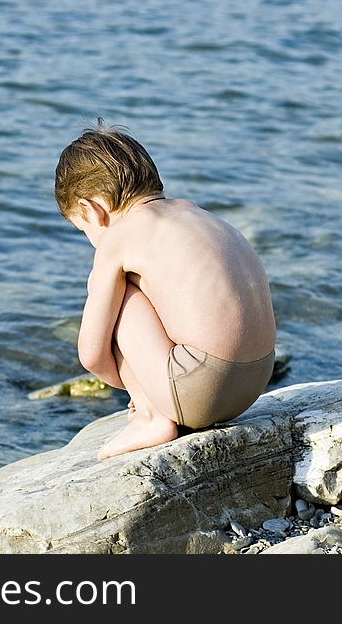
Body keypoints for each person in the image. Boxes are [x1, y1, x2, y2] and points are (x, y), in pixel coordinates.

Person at [55, 120, 277, 460]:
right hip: (256, 381)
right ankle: (164, 404)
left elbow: (91, 355)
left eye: (82, 228)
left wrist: (137, 387)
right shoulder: (196, 213)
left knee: (119, 294)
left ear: (92, 210)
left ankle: (150, 417)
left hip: (202, 390)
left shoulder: (118, 236)